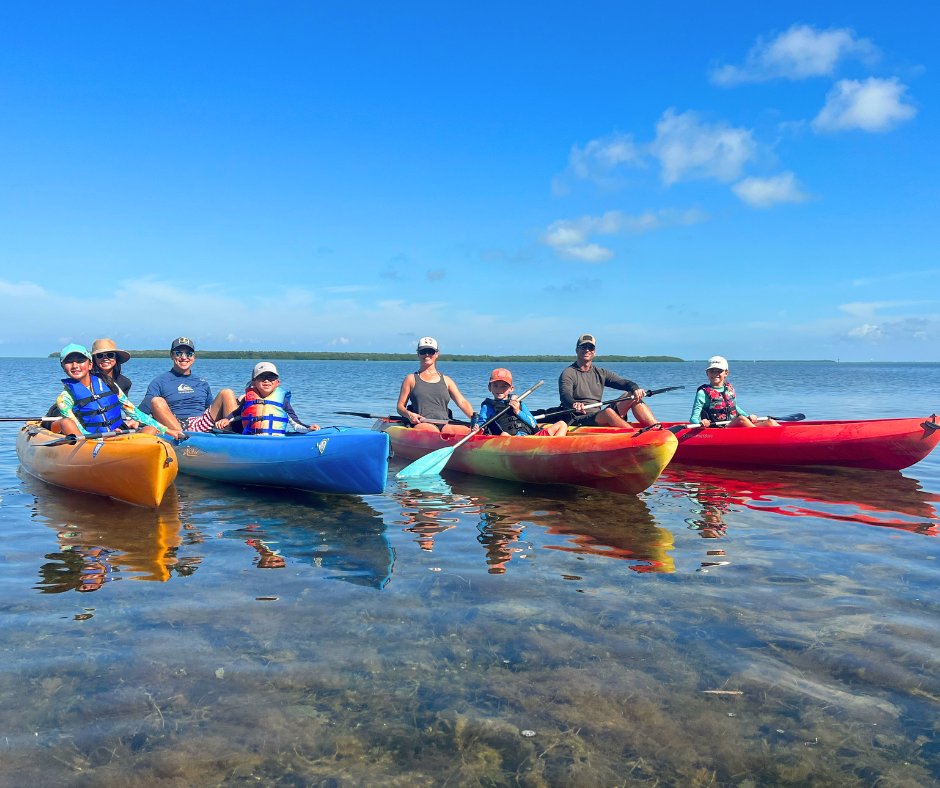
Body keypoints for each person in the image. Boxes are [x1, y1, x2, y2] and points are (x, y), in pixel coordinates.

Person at [51, 343, 182, 438]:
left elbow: (133, 412)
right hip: (90, 441)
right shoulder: (64, 400)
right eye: (69, 362)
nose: (75, 366)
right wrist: (101, 436)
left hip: (117, 435)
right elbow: (78, 429)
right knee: (66, 423)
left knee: (150, 430)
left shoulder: (109, 384)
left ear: (90, 364)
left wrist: (167, 430)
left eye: (80, 361)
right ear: (63, 367)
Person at [138, 337, 237, 433]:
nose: (184, 357)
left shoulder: (202, 382)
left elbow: (210, 408)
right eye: (179, 353)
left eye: (189, 354)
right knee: (156, 401)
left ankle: (236, 434)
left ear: (193, 357)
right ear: (172, 356)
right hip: (176, 425)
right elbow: (146, 405)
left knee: (227, 393)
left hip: (201, 423)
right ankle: (184, 438)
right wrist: (136, 419)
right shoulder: (159, 381)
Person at [558, 334, 658, 427]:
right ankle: (634, 435)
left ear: (594, 352)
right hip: (578, 418)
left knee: (632, 396)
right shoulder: (568, 373)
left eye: (591, 347)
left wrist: (635, 388)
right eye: (583, 347)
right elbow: (565, 395)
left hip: (597, 415)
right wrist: (573, 403)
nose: (587, 350)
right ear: (577, 350)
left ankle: (657, 428)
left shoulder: (600, 372)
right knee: (608, 412)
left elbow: (624, 382)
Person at [396, 337, 475, 434]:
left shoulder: (447, 380)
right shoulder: (410, 379)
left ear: (437, 354)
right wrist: (409, 415)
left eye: (431, 351)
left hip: (445, 423)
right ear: (418, 354)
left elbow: (462, 402)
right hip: (422, 423)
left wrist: (475, 421)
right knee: (432, 431)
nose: (427, 354)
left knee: (467, 431)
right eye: (423, 351)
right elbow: (400, 407)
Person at [215, 362, 319, 435]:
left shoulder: (282, 400)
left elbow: (295, 423)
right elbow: (236, 414)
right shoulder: (248, 399)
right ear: (254, 382)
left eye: (271, 377)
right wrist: (225, 420)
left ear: (277, 382)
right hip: (251, 440)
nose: (266, 380)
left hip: (274, 441)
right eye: (262, 377)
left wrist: (309, 428)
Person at [690, 356, 779, 428]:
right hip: (717, 429)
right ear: (707, 373)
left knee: (770, 422)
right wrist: (701, 422)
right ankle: (761, 438)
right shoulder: (702, 393)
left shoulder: (729, 389)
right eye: (712, 371)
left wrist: (748, 416)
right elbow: (693, 418)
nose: (715, 374)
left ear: (726, 373)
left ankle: (783, 437)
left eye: (719, 371)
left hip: (732, 425)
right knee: (741, 419)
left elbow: (735, 407)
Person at [478, 368, 567, 437]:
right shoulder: (488, 406)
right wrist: (478, 428)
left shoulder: (518, 402)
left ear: (511, 389)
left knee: (562, 424)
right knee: (504, 434)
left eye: (504, 386)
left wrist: (518, 412)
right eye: (495, 385)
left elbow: (533, 423)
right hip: (510, 439)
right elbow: (482, 423)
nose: (499, 389)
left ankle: (554, 450)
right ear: (489, 387)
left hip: (531, 438)